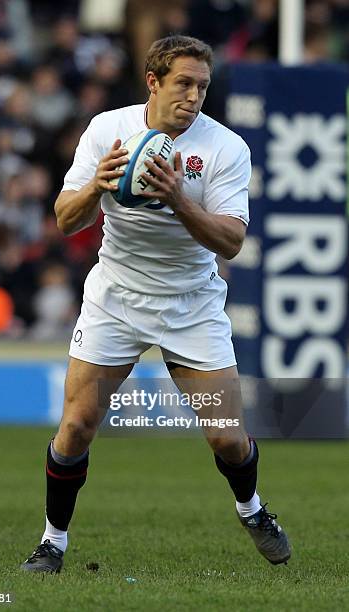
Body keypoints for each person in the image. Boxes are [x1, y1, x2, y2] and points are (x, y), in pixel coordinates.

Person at [21, 35, 291, 573]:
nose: (194, 97)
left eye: (203, 87)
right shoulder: (107, 130)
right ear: (154, 82)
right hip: (116, 298)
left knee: (227, 437)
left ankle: (252, 508)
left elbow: (231, 241)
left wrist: (177, 199)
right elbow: (64, 218)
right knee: (75, 427)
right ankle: (52, 543)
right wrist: (96, 186)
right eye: (184, 84)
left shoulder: (225, 148)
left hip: (191, 303)